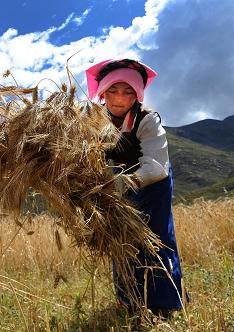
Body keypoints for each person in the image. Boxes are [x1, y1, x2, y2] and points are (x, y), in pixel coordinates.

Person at [85, 59, 187, 317]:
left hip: (154, 183)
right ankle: (129, 302)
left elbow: (156, 167)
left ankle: (165, 305)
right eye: (112, 91)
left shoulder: (147, 120)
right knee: (122, 240)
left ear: (138, 95)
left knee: (156, 240)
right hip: (116, 184)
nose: (119, 99)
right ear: (102, 92)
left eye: (128, 92)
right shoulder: (94, 121)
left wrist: (117, 184)